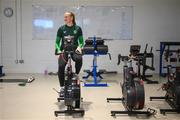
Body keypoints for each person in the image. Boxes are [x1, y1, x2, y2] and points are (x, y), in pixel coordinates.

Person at [55, 11, 84, 96]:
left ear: (71, 18)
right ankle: (62, 87)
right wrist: (58, 50)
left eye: (66, 17)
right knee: (61, 66)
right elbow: (57, 42)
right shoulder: (61, 29)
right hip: (64, 50)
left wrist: (79, 47)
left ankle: (77, 74)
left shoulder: (78, 29)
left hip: (74, 50)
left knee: (79, 59)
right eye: (64, 17)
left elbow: (81, 42)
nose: (64, 19)